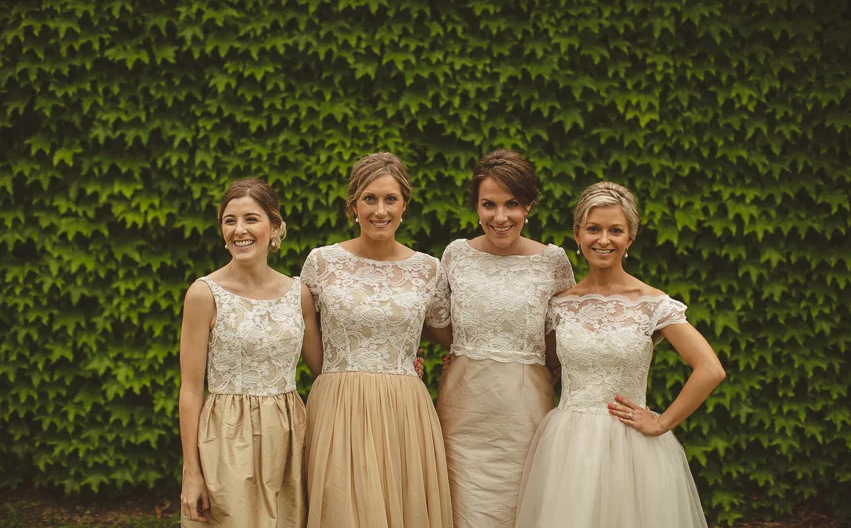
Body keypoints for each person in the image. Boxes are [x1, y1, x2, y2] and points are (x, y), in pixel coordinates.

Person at [515, 181, 726, 527]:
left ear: (630, 238)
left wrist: (661, 422)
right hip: (569, 446)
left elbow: (710, 369)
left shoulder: (651, 303)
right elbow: (544, 364)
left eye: (615, 230)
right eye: (593, 229)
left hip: (632, 447)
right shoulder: (560, 305)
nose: (603, 240)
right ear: (577, 235)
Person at [300, 152, 453, 528]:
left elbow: (445, 334)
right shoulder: (321, 263)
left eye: (390, 199)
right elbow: (303, 332)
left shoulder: (429, 269)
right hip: (338, 404)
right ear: (353, 205)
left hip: (405, 409)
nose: (380, 210)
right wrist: (335, 379)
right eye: (369, 198)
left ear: (404, 206)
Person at [434, 149, 575, 527]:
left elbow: (566, 337)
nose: (500, 217)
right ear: (476, 207)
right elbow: (434, 320)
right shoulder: (456, 255)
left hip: (525, 411)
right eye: (489, 205)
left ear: (529, 205)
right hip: (463, 410)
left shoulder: (553, 261)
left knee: (524, 508)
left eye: (512, 204)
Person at [179, 178, 322, 528]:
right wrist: (191, 473)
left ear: (274, 227)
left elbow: (325, 368)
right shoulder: (203, 294)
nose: (239, 230)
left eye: (251, 219)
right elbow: (191, 389)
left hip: (289, 436)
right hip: (226, 438)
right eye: (230, 221)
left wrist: (396, 360)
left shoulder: (299, 294)